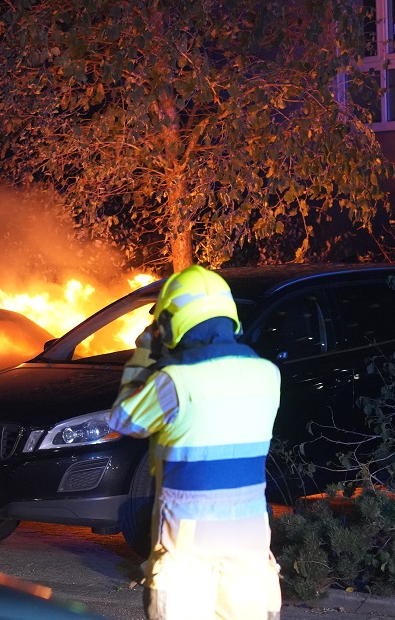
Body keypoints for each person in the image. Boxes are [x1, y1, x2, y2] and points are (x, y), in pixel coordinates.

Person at [109, 266, 282, 620]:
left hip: (188, 537)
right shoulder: (268, 373)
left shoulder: (175, 381)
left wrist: (144, 355)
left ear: (174, 322)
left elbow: (124, 420)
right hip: (250, 535)